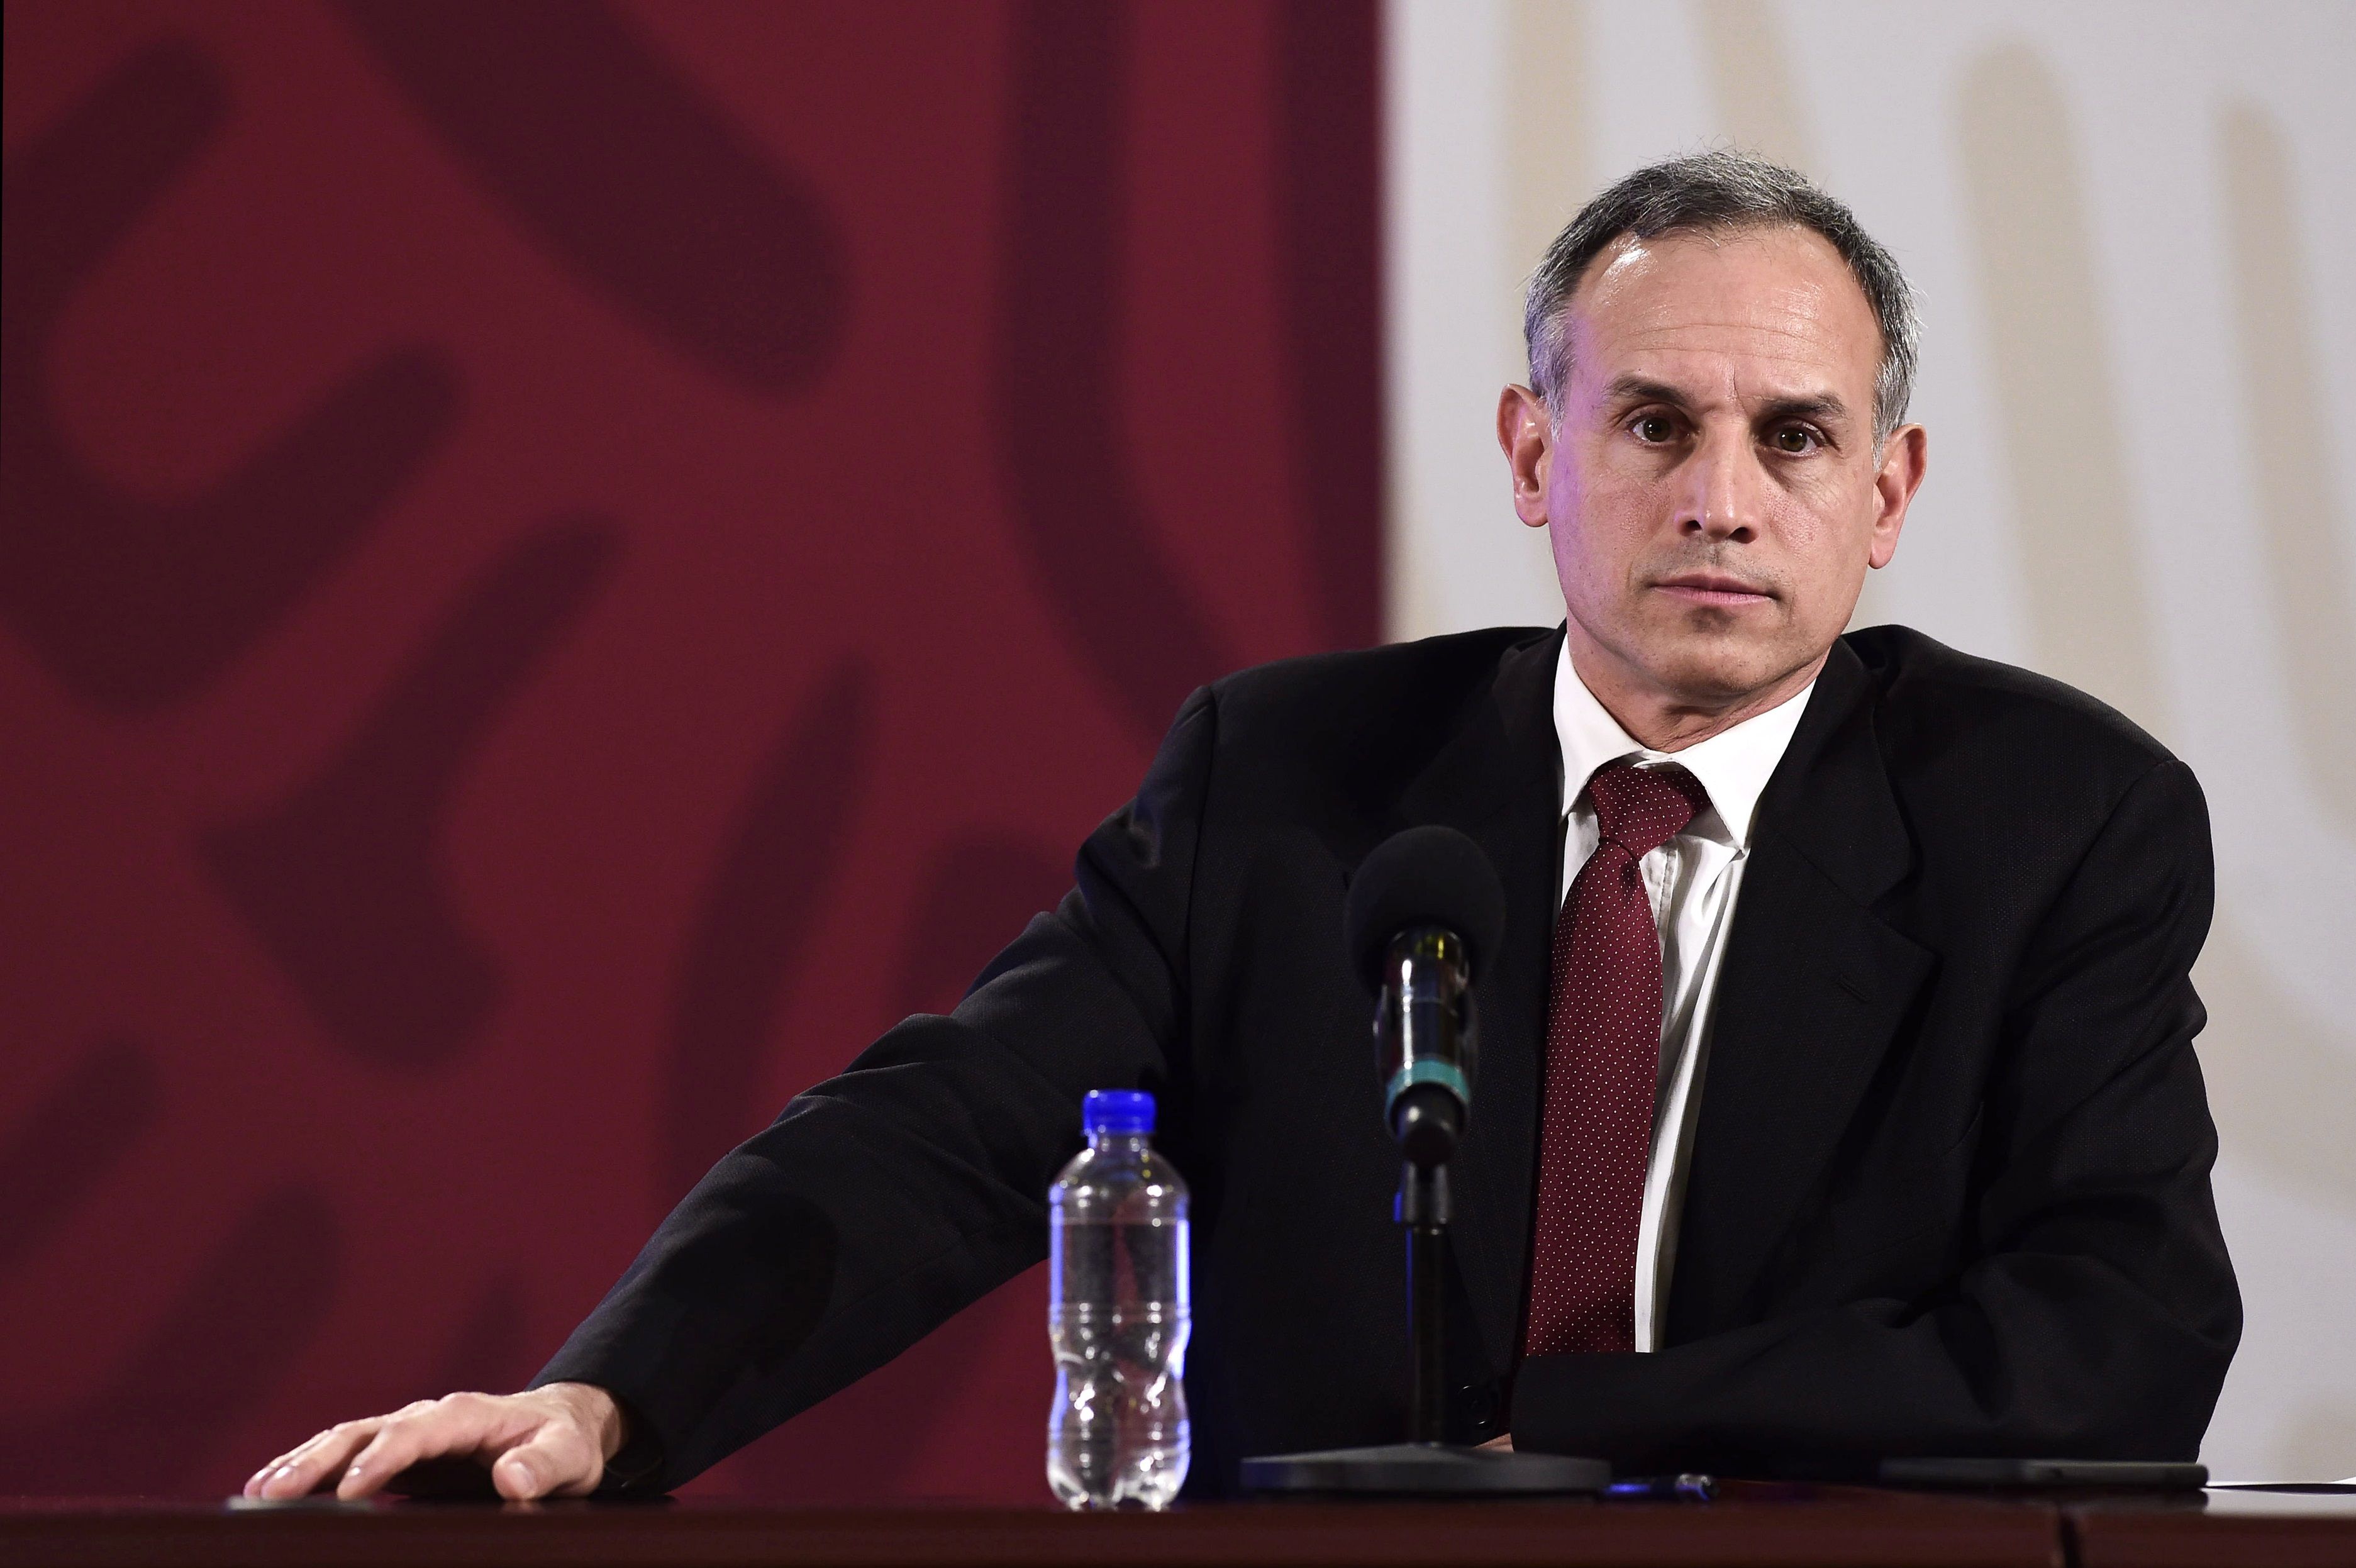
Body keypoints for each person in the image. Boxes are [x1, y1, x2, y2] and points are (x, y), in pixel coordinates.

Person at [246, 151, 2239, 1504]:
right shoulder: (1288, 780)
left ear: (1885, 493)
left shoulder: (2058, 825)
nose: (1723, 495)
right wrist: (616, 1391)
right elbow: (946, 1128)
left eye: (1791, 437)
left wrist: (1564, 1435)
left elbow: (2118, 1341)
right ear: (1535, 453)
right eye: (1654, 426)